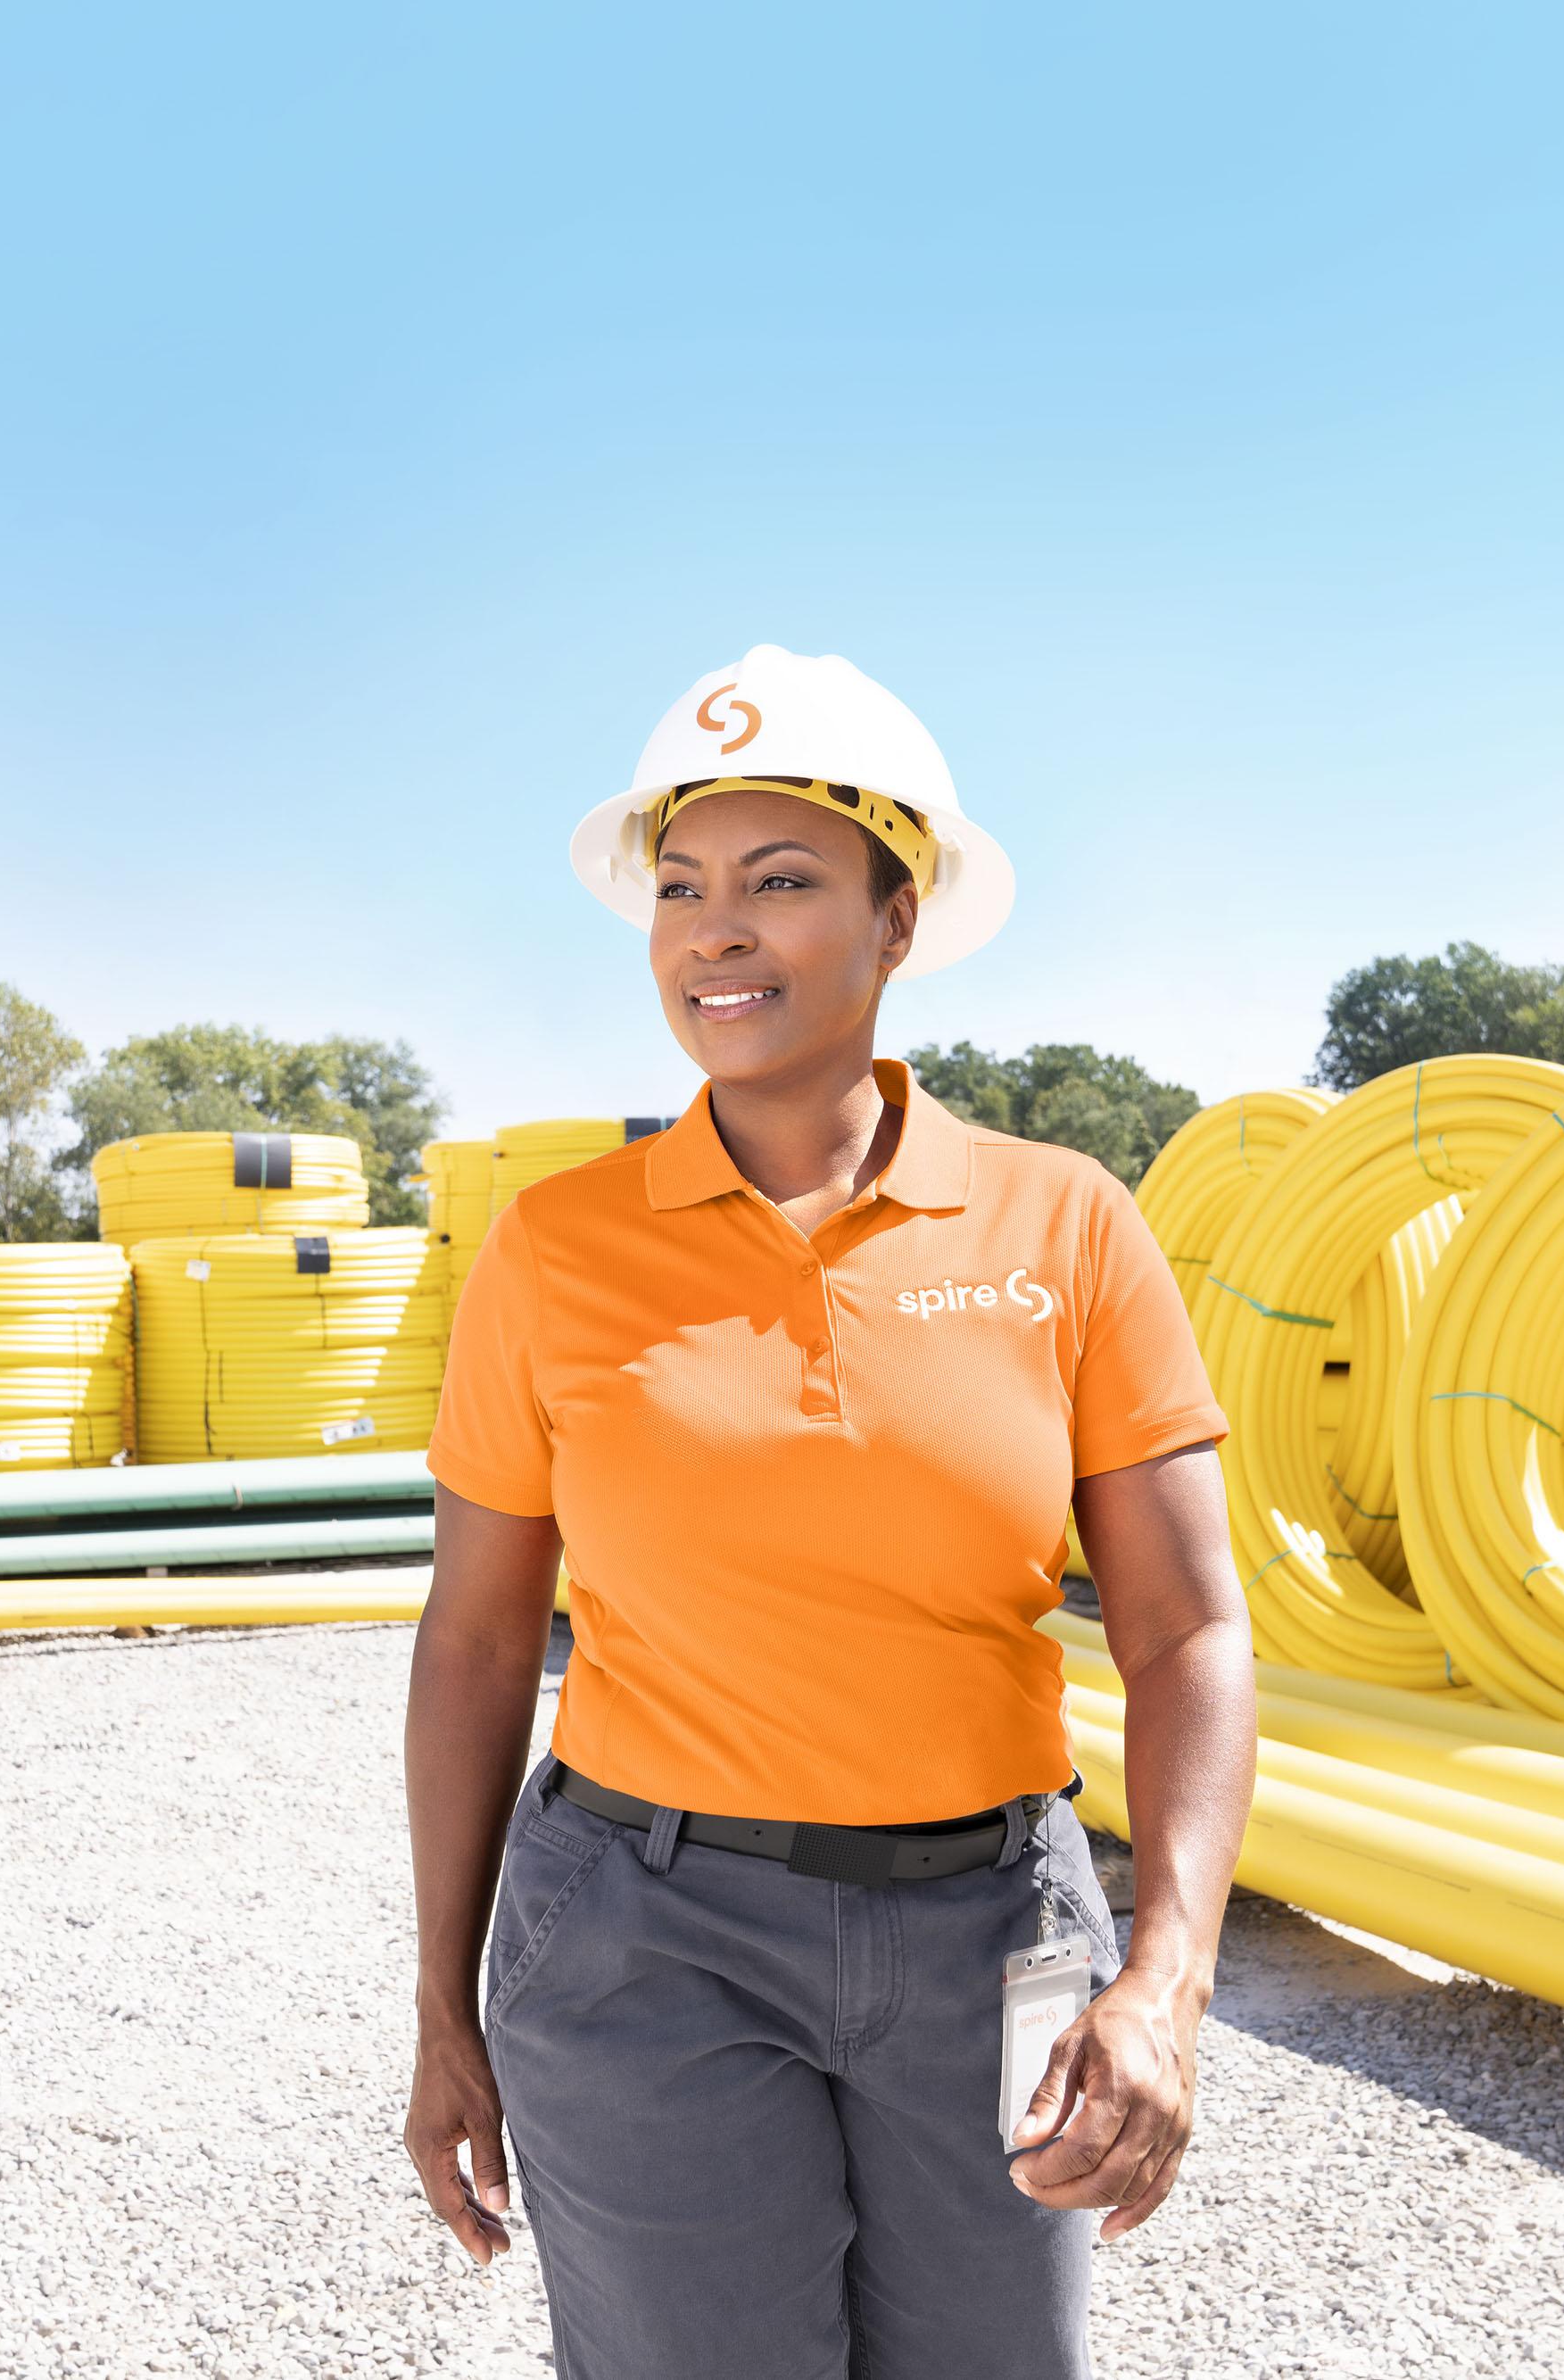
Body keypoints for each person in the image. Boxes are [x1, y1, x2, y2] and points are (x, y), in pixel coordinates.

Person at [399, 644, 1256, 2378]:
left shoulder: (1063, 1225)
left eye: (780, 882)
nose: (714, 930)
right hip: (647, 1935)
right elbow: (480, 1635)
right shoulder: (557, 1248)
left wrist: (1161, 1976)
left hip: (991, 1925)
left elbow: (1185, 1628)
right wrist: (440, 2001)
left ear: (894, 918)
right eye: (681, 889)